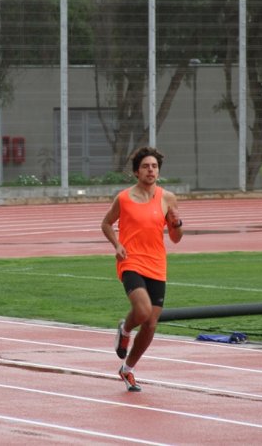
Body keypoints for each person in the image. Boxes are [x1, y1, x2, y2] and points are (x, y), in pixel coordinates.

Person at [100, 146, 183, 392]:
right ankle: (125, 329)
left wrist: (177, 223)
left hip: (156, 263)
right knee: (143, 310)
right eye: (146, 166)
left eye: (154, 166)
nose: (151, 170)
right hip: (131, 260)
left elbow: (176, 238)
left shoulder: (168, 198)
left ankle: (128, 370)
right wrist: (116, 244)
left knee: (151, 324)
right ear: (137, 172)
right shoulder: (124, 198)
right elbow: (106, 223)